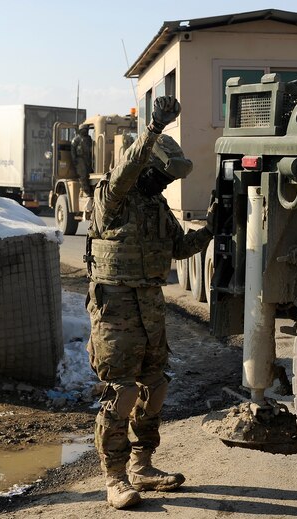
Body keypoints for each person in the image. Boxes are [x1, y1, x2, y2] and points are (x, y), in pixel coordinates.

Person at [84, 95, 215, 509]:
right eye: (159, 175)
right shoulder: (112, 198)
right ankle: (115, 478)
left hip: (150, 307)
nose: (163, 184)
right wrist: (153, 129)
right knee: (120, 393)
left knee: (154, 388)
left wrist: (213, 227)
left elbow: (180, 248)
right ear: (144, 166)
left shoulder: (156, 205)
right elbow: (125, 171)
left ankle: (142, 465)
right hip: (115, 309)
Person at [71, 126, 94, 195]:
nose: (85, 131)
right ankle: (86, 191)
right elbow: (73, 150)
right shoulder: (76, 139)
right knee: (83, 175)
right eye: (84, 129)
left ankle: (90, 189)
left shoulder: (89, 138)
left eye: (86, 130)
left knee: (90, 174)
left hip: (88, 158)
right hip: (80, 159)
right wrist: (74, 159)